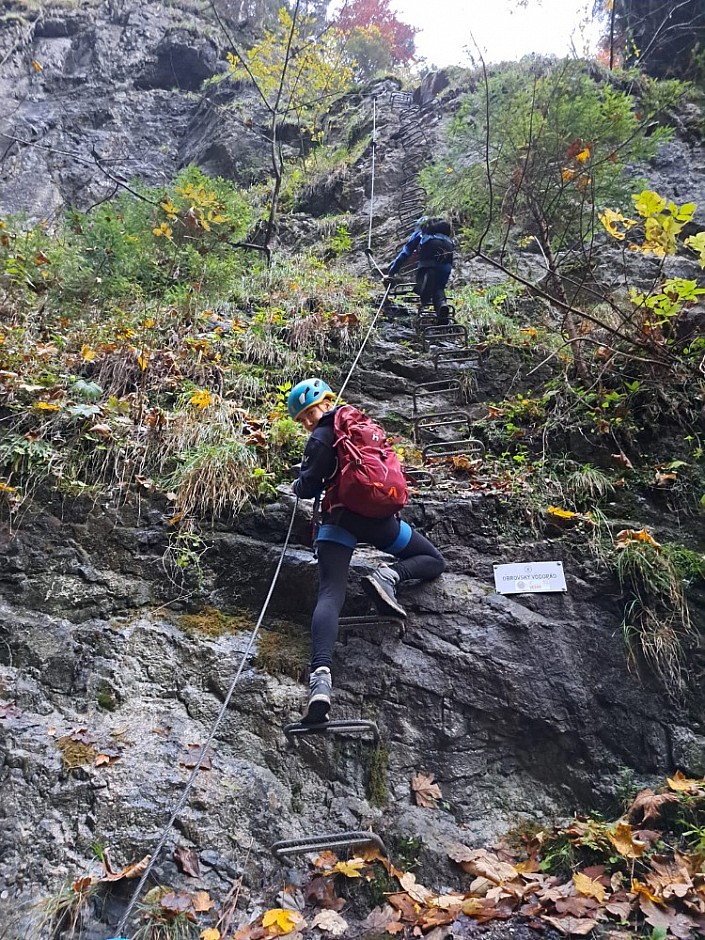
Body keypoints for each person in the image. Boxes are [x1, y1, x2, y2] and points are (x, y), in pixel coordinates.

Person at [288, 377, 446, 724]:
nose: (308, 422)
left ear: (325, 403)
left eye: (309, 413)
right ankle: (389, 575)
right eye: (302, 419)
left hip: (339, 520)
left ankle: (320, 683)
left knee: (330, 594)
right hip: (377, 518)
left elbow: (308, 486)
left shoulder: (320, 438)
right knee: (432, 559)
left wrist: (298, 481)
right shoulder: (361, 424)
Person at [386, 217, 455, 324]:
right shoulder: (446, 238)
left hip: (428, 262)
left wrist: (392, 271)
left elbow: (405, 253)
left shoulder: (421, 234)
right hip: (446, 261)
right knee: (439, 288)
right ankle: (442, 306)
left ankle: (424, 300)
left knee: (421, 286)